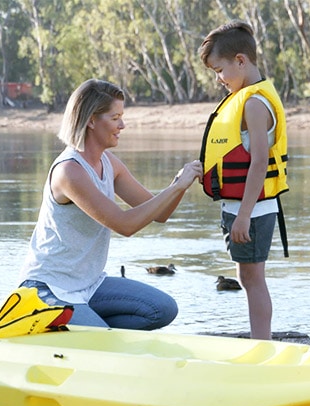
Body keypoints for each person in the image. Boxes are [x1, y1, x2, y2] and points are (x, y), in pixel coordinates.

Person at [18, 79, 203, 330]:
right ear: (91, 120)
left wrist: (180, 183)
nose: (122, 125)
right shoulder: (69, 171)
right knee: (101, 338)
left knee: (162, 309)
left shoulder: (109, 163)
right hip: (48, 288)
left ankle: (86, 330)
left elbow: (159, 214)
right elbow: (125, 225)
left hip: (90, 285)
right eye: (115, 118)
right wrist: (177, 187)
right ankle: (77, 329)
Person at [198, 21, 289, 340]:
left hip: (252, 210)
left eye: (219, 70)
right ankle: (259, 340)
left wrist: (244, 215)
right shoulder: (248, 97)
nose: (218, 79)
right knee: (248, 277)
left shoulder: (254, 103)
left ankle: (261, 343)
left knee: (253, 279)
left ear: (240, 60)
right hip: (243, 207)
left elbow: (260, 162)